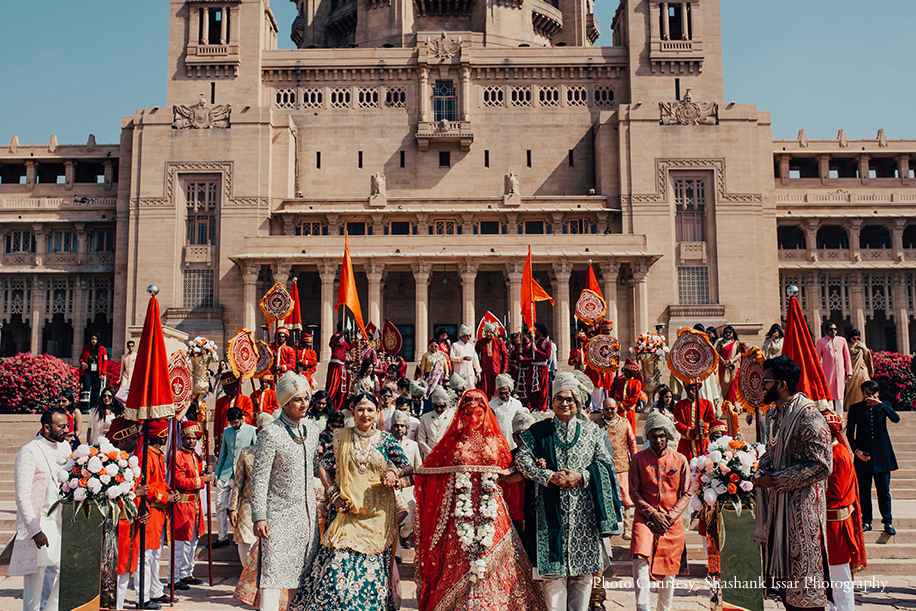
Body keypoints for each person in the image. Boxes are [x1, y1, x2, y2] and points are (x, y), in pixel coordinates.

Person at [415, 389, 545, 611]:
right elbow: (433, 472)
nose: (473, 419)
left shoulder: (496, 441)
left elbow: (508, 477)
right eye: (468, 414)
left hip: (491, 509)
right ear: (460, 414)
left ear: (486, 414)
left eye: (478, 413)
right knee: (460, 557)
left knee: (493, 553)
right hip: (460, 511)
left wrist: (530, 471)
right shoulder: (453, 442)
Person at [290, 394, 409, 611]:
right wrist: (333, 494)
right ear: (352, 411)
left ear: (377, 413)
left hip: (376, 518)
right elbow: (323, 467)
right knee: (335, 571)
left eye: (370, 410)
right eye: (361, 409)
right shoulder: (339, 438)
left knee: (372, 578)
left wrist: (394, 473)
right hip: (345, 514)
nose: (365, 414)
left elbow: (408, 467)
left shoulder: (386, 439)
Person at [514, 372, 622, 611]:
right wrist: (547, 476)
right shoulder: (539, 431)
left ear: (579, 402)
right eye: (559, 399)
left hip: (585, 515)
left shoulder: (594, 432)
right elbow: (522, 460)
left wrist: (581, 476)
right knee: (553, 583)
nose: (564, 403)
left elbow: (606, 466)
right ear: (551, 402)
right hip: (549, 513)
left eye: (570, 399)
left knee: (583, 580)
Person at [754, 355, 832, 610]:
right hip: (779, 513)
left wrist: (775, 479)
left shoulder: (808, 414)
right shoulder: (774, 414)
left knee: (806, 591)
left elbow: (822, 465)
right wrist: (762, 466)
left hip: (802, 515)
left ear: (782, 384)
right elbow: (771, 450)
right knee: (787, 592)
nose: (761, 386)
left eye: (766, 381)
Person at [251, 371, 321, 611]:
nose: (304, 404)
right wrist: (259, 516)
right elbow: (259, 478)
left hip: (307, 517)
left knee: (302, 577)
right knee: (273, 575)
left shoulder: (311, 430)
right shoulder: (271, 433)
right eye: (297, 400)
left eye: (306, 398)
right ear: (285, 403)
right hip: (277, 516)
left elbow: (313, 466)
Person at [629, 411, 691, 611]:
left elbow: (687, 492)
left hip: (671, 522)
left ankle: (664, 609)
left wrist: (670, 516)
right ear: (647, 437)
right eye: (653, 435)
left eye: (662, 435)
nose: (658, 439)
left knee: (670, 570)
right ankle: (642, 607)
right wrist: (651, 513)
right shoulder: (638, 459)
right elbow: (633, 491)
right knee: (640, 559)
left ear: (668, 436)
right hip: (644, 518)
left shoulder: (680, 459)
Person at [10, 407, 70, 611]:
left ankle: (50, 608)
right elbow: (22, 496)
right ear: (46, 427)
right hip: (41, 519)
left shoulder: (66, 448)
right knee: (36, 578)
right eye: (61, 426)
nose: (66, 430)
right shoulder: (29, 451)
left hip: (63, 519)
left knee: (69, 569)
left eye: (67, 425)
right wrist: (35, 530)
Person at [821, 409, 866, 611]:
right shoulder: (831, 451)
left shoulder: (838, 454)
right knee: (829, 575)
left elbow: (836, 491)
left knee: (839, 574)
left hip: (836, 525)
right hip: (829, 523)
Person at [847, 379, 900, 535]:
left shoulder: (884, 406)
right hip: (863, 456)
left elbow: (896, 419)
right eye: (867, 394)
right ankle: (866, 520)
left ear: (878, 394)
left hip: (882, 457)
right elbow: (850, 433)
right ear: (862, 394)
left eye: (873, 394)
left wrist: (881, 404)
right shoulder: (855, 409)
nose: (870, 397)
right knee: (864, 491)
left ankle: (888, 521)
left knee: (884, 491)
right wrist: (856, 451)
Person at [107, 417, 147, 611]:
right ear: (121, 440)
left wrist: (142, 511)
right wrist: (133, 493)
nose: (136, 441)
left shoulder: (132, 462)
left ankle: (120, 606)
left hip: (131, 526)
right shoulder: (106, 464)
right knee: (115, 572)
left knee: (126, 574)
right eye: (133, 438)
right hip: (115, 527)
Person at [138, 418, 177, 609]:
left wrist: (169, 491)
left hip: (159, 511)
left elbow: (159, 482)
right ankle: (142, 596)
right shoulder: (145, 455)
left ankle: (155, 590)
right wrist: (164, 496)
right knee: (144, 556)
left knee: (154, 555)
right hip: (149, 509)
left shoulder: (157, 454)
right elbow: (145, 486)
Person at [170, 421, 213, 590]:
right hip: (182, 505)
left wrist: (205, 473)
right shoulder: (179, 456)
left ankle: (187, 573)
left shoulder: (196, 456)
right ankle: (174, 578)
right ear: (182, 439)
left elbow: (198, 474)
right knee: (180, 543)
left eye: (194, 439)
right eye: (188, 438)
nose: (192, 442)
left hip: (195, 504)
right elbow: (180, 480)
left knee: (193, 542)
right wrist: (203, 480)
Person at [230, 411, 273, 566]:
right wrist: (233, 508)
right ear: (257, 432)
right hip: (248, 505)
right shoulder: (247, 453)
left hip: (272, 506)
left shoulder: (279, 454)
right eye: (262, 431)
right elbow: (238, 483)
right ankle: (248, 584)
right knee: (245, 543)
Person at [214, 406, 257, 547]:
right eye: (231, 423)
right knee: (220, 505)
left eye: (236, 422)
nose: (234, 425)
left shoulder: (251, 430)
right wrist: (216, 473)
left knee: (239, 507)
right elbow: (223, 454)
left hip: (243, 475)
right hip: (225, 473)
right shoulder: (227, 432)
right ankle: (222, 537)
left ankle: (241, 536)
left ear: (242, 419)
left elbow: (254, 454)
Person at [595, 397, 637, 540]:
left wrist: (635, 461)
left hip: (622, 465)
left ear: (617, 409)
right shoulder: (597, 425)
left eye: (612, 408)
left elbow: (632, 443)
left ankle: (627, 528)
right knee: (606, 497)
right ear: (603, 409)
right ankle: (609, 527)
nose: (609, 411)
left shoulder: (624, 423)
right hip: (603, 467)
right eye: (606, 409)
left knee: (626, 499)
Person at [390, 409, 422, 551]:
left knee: (410, 519)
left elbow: (418, 466)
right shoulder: (386, 442)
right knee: (393, 519)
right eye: (396, 425)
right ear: (391, 426)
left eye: (402, 426)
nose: (399, 428)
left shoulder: (413, 445)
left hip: (408, 487)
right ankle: (396, 552)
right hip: (390, 486)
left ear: (407, 427)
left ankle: (405, 536)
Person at [672, 381, 716, 461]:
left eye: (693, 389)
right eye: (688, 389)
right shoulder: (679, 405)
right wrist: (692, 431)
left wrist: (703, 426)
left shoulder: (707, 404)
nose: (690, 392)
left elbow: (712, 423)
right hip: (686, 444)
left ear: (698, 389)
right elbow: (677, 423)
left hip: (703, 443)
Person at [816, 322, 852, 415]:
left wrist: (849, 372)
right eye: (831, 329)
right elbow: (817, 359)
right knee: (828, 396)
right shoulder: (821, 342)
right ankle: (830, 419)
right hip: (827, 374)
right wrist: (817, 375)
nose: (833, 331)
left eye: (835, 329)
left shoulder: (842, 340)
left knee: (840, 396)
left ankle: (839, 420)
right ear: (826, 331)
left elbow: (847, 357)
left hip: (840, 373)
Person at [213, 371, 254, 454]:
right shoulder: (220, 401)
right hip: (224, 440)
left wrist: (238, 419)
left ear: (234, 388)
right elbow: (217, 422)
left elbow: (249, 419)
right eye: (224, 388)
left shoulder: (246, 400)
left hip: (240, 438)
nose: (225, 391)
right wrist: (217, 442)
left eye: (227, 389)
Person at [416, 385, 456, 458]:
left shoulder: (452, 416)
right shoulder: (425, 417)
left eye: (442, 406)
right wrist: (431, 453)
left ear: (446, 404)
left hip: (447, 455)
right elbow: (421, 439)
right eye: (436, 406)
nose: (439, 409)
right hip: (429, 456)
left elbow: (455, 436)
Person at [520, 324, 552, 412]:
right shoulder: (535, 342)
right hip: (533, 367)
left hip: (542, 367)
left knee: (542, 389)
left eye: (537, 331)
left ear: (541, 332)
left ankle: (541, 407)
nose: (535, 333)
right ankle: (533, 406)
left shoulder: (547, 343)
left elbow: (547, 356)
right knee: (530, 388)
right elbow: (531, 357)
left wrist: (537, 351)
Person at [489, 373, 525, 449]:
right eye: (500, 393)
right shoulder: (491, 405)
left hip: (514, 443)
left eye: (506, 393)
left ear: (510, 391)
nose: (503, 396)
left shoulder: (517, 404)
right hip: (498, 444)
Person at [476, 322, 508, 398]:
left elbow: (505, 356)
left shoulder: (499, 341)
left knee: (496, 389)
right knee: (485, 390)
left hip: (496, 370)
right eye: (486, 332)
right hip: (484, 370)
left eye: (490, 332)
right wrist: (477, 369)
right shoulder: (480, 342)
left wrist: (505, 369)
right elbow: (475, 356)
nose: (488, 334)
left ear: (494, 332)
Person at [714, 326, 746, 403]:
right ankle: (724, 405)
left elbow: (740, 353)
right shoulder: (720, 343)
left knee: (733, 387)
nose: (728, 334)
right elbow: (717, 353)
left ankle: (734, 406)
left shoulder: (736, 343)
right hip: (723, 367)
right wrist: (723, 362)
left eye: (730, 332)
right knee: (723, 385)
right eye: (726, 332)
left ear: (733, 333)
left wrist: (731, 361)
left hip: (734, 367)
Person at [843, 329, 873, 408]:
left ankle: (868, 403)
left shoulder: (861, 344)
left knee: (866, 383)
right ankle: (851, 405)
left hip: (861, 368)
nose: (855, 341)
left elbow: (867, 355)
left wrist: (864, 348)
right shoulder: (847, 345)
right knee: (852, 388)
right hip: (852, 369)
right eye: (854, 339)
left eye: (857, 338)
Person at [327, 322, 353, 412]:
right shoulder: (335, 336)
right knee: (333, 386)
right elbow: (331, 344)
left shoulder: (343, 339)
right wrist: (339, 335)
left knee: (341, 388)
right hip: (335, 365)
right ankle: (327, 405)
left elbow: (348, 348)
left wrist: (357, 340)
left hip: (342, 366)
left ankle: (338, 407)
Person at [611, 358, 643, 433]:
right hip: (618, 411)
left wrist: (620, 405)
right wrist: (613, 386)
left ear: (632, 372)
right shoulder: (619, 380)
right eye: (624, 370)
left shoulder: (636, 382)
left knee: (629, 432)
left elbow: (633, 399)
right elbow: (612, 395)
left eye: (627, 371)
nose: (624, 372)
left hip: (629, 411)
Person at [79, 332, 108, 410]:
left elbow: (105, 362)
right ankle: (84, 406)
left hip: (97, 372)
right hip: (87, 371)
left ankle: (94, 406)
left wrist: (103, 373)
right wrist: (82, 363)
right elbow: (81, 357)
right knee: (86, 388)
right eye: (92, 339)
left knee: (96, 389)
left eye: (95, 339)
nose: (94, 341)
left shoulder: (102, 349)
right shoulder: (85, 348)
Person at [451, 324, 482, 389]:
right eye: (466, 336)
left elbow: (475, 360)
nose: (468, 338)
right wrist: (462, 358)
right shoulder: (455, 345)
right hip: (459, 374)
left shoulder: (471, 346)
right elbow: (452, 358)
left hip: (470, 374)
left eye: (469, 336)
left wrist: (478, 371)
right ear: (462, 336)